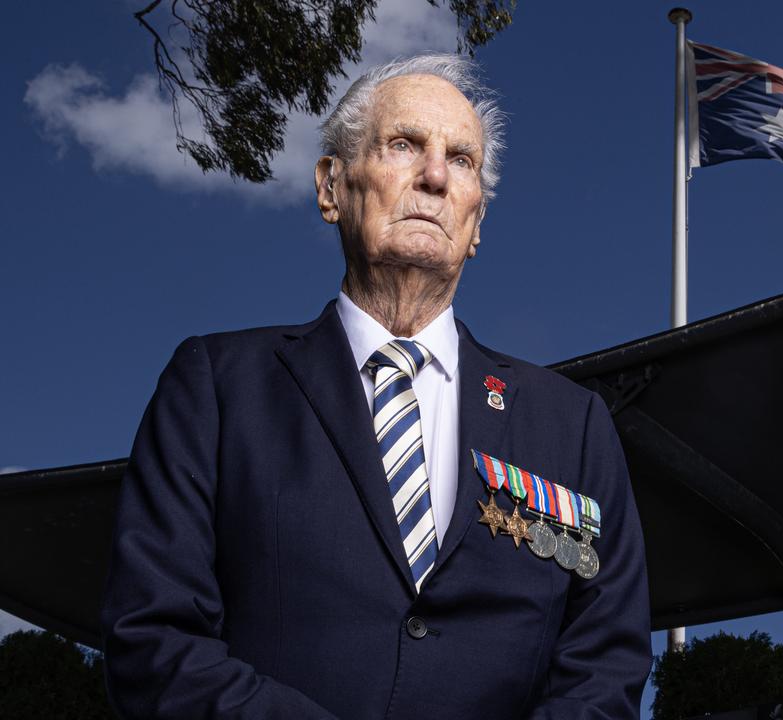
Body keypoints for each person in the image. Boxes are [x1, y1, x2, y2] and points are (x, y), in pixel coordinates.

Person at [101, 54, 651, 720]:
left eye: (463, 160)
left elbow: (606, 663)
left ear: (477, 224)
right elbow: (153, 640)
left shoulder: (574, 427)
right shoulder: (217, 388)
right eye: (404, 145)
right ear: (332, 186)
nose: (434, 176)